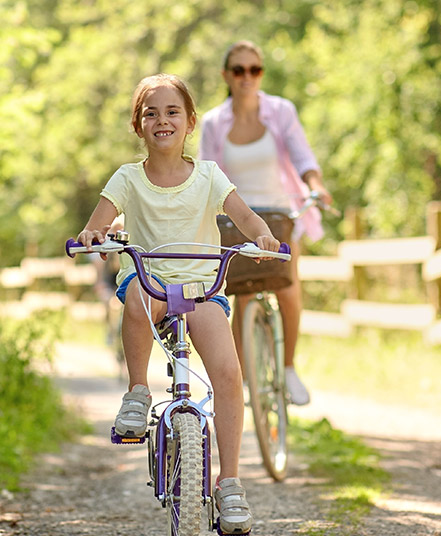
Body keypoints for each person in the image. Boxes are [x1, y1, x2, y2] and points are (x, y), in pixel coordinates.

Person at [77, 73, 284, 534]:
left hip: (202, 286)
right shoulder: (128, 178)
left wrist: (263, 236)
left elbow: (244, 215)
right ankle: (137, 392)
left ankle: (229, 483)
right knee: (134, 296)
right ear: (138, 126)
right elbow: (99, 222)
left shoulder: (209, 176)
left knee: (229, 375)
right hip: (151, 280)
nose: (162, 120)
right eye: (151, 113)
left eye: (172, 112)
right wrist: (93, 235)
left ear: (190, 122)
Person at [198, 40, 333, 406]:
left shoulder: (281, 111)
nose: (247, 77)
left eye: (254, 70)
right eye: (238, 70)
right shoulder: (213, 122)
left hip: (280, 213)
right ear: (227, 75)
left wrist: (316, 186)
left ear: (261, 74)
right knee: (242, 292)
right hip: (236, 217)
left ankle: (288, 369)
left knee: (287, 288)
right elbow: (207, 172)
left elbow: (302, 154)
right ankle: (241, 380)